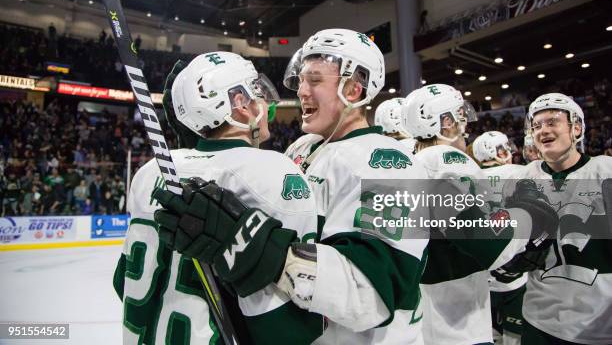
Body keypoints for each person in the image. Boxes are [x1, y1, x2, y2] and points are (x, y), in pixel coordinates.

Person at [155, 29, 431, 344]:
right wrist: (205, 134)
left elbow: (369, 295)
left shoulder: (391, 163)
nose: (301, 91)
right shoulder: (301, 149)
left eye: (314, 81)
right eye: (300, 80)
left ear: (353, 89)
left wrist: (261, 247)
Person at [114, 52, 321, 344]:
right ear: (239, 102)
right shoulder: (273, 170)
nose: (265, 102)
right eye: (257, 91)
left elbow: (122, 280)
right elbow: (292, 310)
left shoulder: (151, 171)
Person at [401, 84, 555, 345]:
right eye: (459, 115)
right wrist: (529, 215)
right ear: (445, 122)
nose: (465, 123)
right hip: (455, 321)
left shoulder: (409, 161)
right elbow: (489, 242)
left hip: (418, 315)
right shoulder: (444, 162)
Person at [512, 93, 612, 344]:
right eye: (537, 125)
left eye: (552, 121)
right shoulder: (525, 177)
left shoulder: (605, 171)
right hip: (539, 319)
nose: (543, 130)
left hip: (597, 321)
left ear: (576, 127)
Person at [473, 130, 527, 345]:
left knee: (490, 334)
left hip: (483, 274)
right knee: (515, 337)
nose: (508, 152)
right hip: (515, 272)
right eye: (503, 148)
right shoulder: (519, 172)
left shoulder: (470, 177)